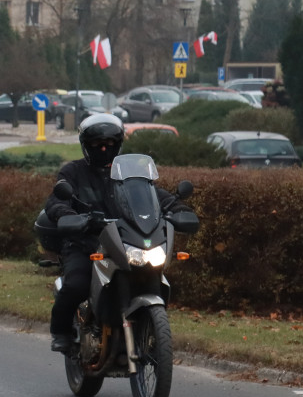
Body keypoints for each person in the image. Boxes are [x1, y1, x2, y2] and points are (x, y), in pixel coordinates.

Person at [43, 114, 192, 353]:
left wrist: (178, 209)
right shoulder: (73, 172)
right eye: (96, 144)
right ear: (85, 145)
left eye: (110, 144)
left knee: (150, 271)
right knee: (77, 284)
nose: (103, 148)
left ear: (118, 144)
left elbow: (154, 195)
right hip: (86, 242)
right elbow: (56, 201)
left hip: (125, 241)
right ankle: (61, 332)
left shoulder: (129, 173)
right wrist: (68, 215)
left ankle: (149, 332)